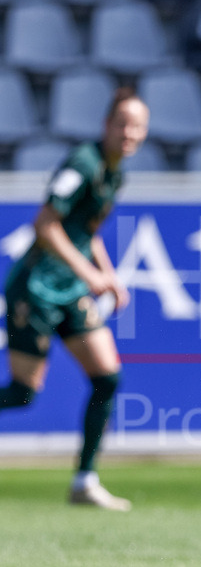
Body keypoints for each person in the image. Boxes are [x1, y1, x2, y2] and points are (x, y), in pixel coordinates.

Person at [0, 87, 150, 511]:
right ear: (106, 125)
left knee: (107, 377)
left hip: (69, 290)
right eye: (122, 123)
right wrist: (91, 276)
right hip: (36, 288)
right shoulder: (83, 163)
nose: (129, 132)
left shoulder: (114, 171)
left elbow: (87, 231)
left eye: (137, 125)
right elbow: (46, 224)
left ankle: (84, 479)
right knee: (24, 393)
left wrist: (108, 276)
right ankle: (84, 479)